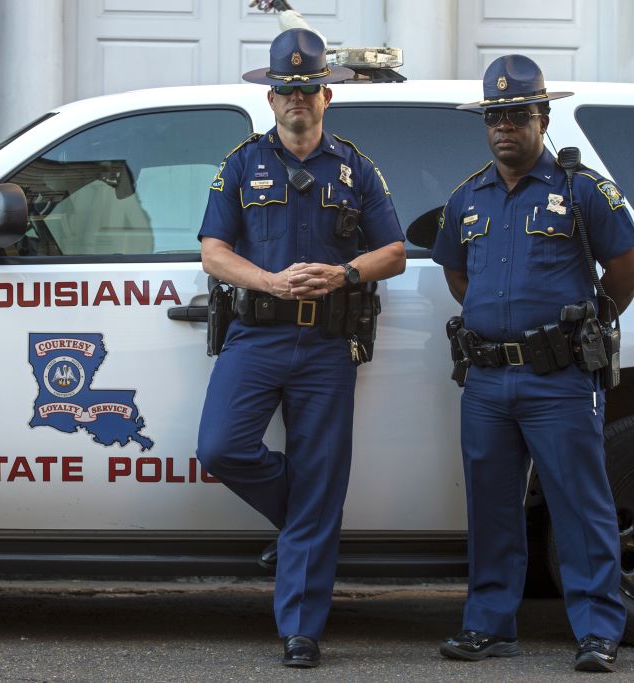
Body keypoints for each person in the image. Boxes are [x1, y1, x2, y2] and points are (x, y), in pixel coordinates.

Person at [196, 28, 406, 668]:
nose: (296, 100)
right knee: (221, 448)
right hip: (256, 335)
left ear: (326, 95)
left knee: (321, 477)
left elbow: (394, 252)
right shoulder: (239, 164)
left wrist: (345, 274)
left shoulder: (356, 166)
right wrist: (268, 279)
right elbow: (213, 251)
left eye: (307, 89)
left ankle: (302, 630)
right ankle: (304, 529)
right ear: (272, 98)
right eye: (285, 90)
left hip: (325, 344)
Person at [431, 54, 634, 673]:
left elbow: (627, 267)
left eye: (518, 114)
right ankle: (489, 626)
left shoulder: (581, 190)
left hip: (560, 379)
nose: (505, 126)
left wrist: (590, 323)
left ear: (543, 118)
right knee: (491, 506)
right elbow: (456, 272)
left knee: (581, 506)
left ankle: (598, 631)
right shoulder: (465, 197)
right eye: (495, 115)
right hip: (488, 381)